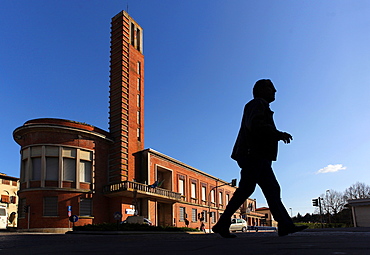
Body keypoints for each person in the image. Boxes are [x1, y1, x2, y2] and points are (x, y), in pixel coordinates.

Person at [212, 79, 307, 238]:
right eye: (272, 89)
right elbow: (255, 125)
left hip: (255, 155)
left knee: (263, 189)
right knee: (257, 189)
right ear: (262, 90)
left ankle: (283, 224)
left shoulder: (259, 105)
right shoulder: (257, 104)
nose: (275, 92)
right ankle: (284, 224)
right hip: (253, 154)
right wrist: (278, 134)